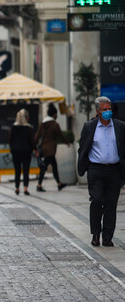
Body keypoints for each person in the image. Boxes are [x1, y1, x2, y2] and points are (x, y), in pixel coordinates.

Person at [78, 97, 125, 247]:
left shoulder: (120, 127)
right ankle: (96, 234)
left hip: (114, 170)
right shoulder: (89, 127)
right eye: (104, 109)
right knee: (97, 200)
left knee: (111, 204)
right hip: (96, 169)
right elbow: (83, 147)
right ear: (98, 111)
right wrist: (84, 165)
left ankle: (107, 237)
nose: (108, 112)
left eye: (109, 109)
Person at [34, 103, 70, 192]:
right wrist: (67, 142)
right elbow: (60, 135)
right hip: (50, 150)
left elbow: (36, 137)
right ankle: (39, 185)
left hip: (43, 148)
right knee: (45, 167)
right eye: (56, 114)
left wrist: (34, 147)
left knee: (54, 166)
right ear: (54, 114)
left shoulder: (42, 124)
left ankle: (59, 184)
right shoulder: (55, 124)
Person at [9, 109, 34, 196]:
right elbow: (32, 140)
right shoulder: (28, 128)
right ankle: (25, 188)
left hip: (15, 151)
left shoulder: (13, 127)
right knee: (26, 170)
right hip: (26, 151)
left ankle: (17, 188)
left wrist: (12, 147)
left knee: (17, 170)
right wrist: (34, 149)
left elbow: (10, 140)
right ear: (25, 118)